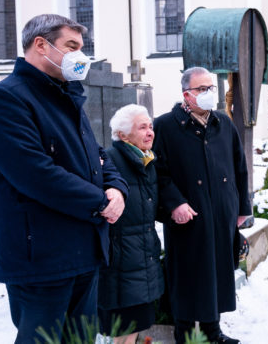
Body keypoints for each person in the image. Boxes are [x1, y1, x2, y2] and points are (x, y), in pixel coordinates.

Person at [0, 14, 128, 343]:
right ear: (40, 45)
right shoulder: (7, 99)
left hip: (83, 251)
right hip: (41, 259)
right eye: (71, 46)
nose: (80, 56)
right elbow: (35, 174)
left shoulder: (66, 96)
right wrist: (101, 202)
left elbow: (96, 154)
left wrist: (116, 187)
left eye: (82, 48)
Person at [153, 67, 252, 344]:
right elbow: (158, 173)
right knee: (187, 275)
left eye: (212, 88)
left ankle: (212, 332)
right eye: (202, 89)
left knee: (217, 273)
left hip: (222, 212)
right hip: (188, 216)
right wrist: (174, 203)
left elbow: (239, 167)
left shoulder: (223, 122)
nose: (210, 93)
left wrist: (242, 208)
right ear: (187, 94)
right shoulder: (165, 126)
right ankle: (184, 335)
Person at [98, 104, 164, 343]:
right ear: (123, 135)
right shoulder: (110, 161)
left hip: (141, 260)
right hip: (121, 264)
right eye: (142, 127)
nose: (150, 132)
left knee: (134, 327)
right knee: (123, 330)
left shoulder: (146, 161)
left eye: (151, 126)